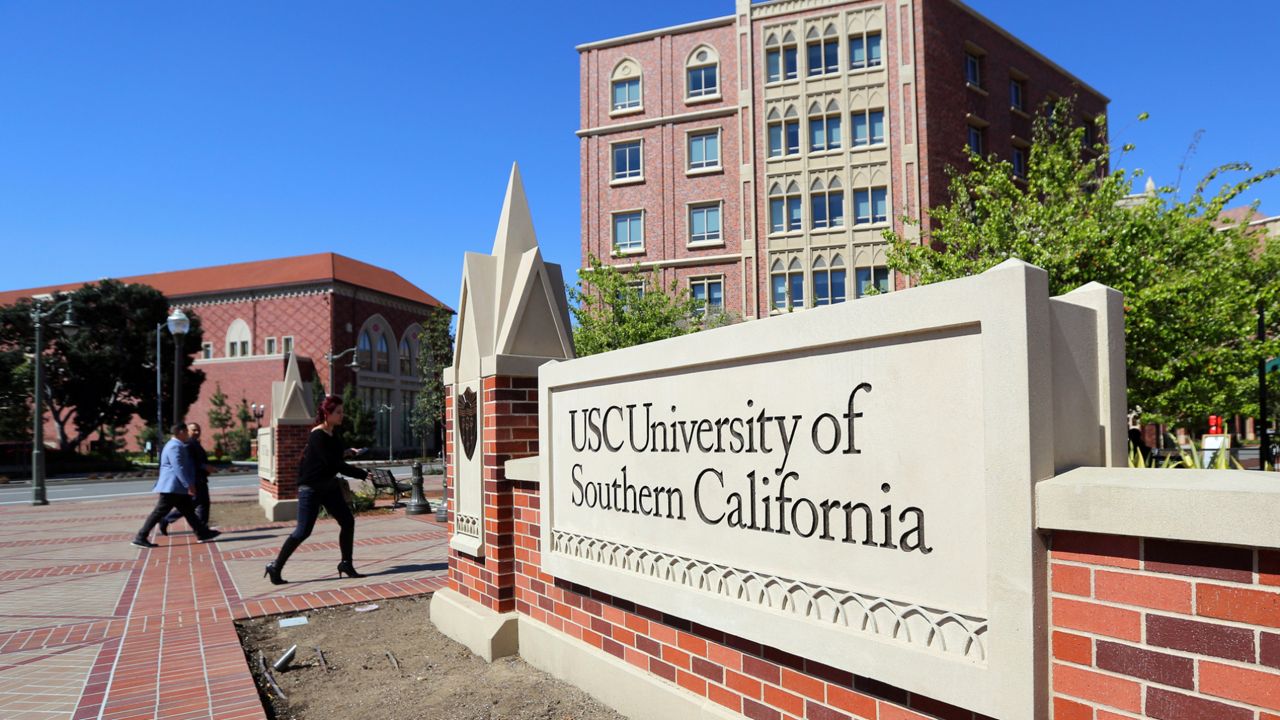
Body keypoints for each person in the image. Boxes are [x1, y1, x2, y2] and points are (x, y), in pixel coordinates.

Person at [264, 395, 368, 584]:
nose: (342, 415)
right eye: (338, 412)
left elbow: (334, 456)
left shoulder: (332, 434)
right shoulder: (317, 435)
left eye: (342, 412)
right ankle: (275, 566)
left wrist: (348, 451)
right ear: (327, 413)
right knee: (302, 531)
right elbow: (333, 463)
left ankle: (346, 563)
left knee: (347, 521)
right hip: (311, 488)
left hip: (328, 486)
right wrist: (364, 474)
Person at [131, 424, 221, 548]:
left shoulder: (176, 445)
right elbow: (179, 467)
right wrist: (188, 484)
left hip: (177, 487)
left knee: (189, 511)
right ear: (180, 432)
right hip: (172, 486)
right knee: (159, 512)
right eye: (186, 432)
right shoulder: (175, 446)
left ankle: (202, 533)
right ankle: (141, 537)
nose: (187, 435)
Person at [158, 422, 212, 535]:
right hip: (194, 478)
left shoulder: (194, 443)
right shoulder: (186, 444)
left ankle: (202, 529)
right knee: (193, 504)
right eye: (193, 430)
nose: (197, 432)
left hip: (200, 477)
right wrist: (203, 467)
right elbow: (187, 463)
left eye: (198, 430)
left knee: (203, 503)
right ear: (187, 431)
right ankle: (167, 519)